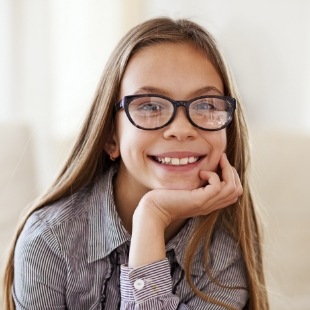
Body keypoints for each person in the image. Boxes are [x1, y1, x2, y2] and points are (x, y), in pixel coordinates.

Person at [2, 17, 269, 309]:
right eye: (150, 106)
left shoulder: (223, 254)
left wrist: (151, 218)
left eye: (206, 104)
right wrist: (153, 215)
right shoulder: (49, 242)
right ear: (110, 137)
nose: (181, 129)